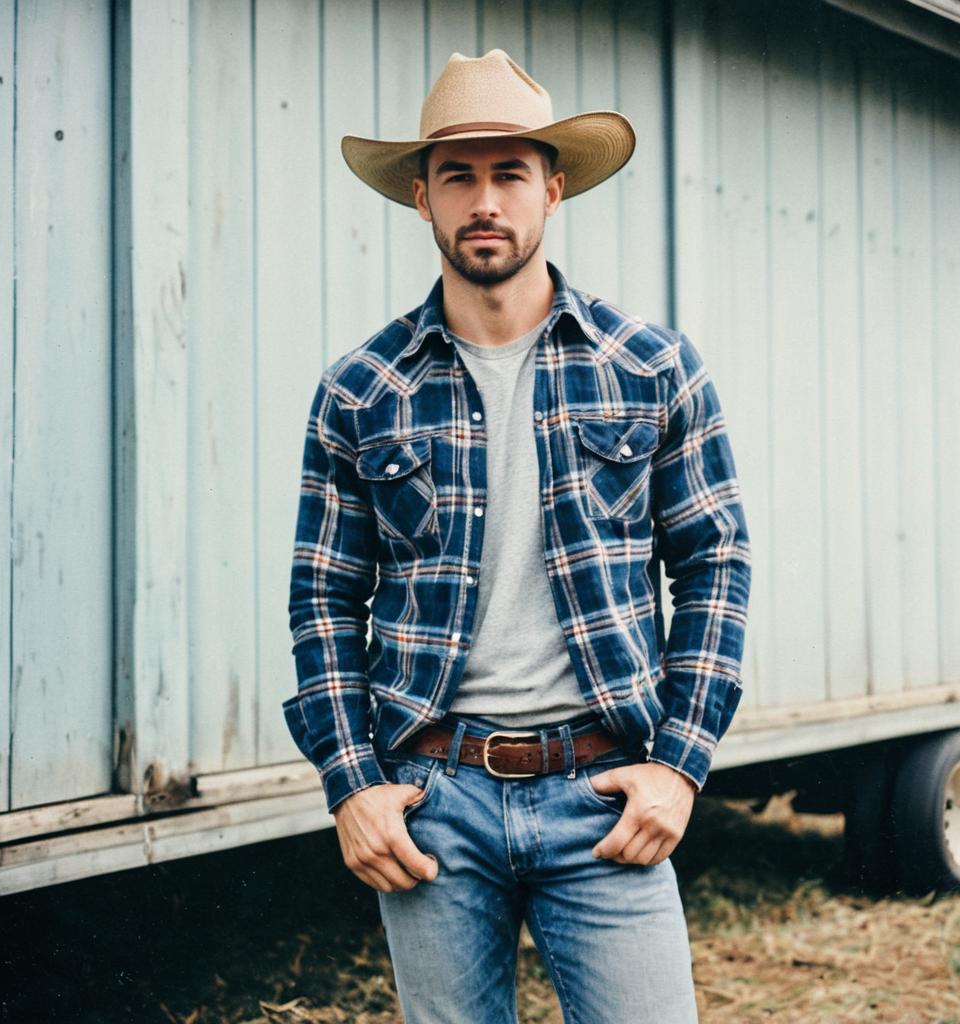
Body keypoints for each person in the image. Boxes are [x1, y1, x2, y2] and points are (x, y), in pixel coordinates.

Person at [283, 49, 751, 1024]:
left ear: (554, 187)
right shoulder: (361, 391)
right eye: (458, 175)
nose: (485, 200)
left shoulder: (650, 366)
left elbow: (714, 564)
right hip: (433, 801)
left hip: (604, 791)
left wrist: (679, 765)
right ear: (422, 197)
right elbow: (324, 597)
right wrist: (352, 784)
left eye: (510, 173)